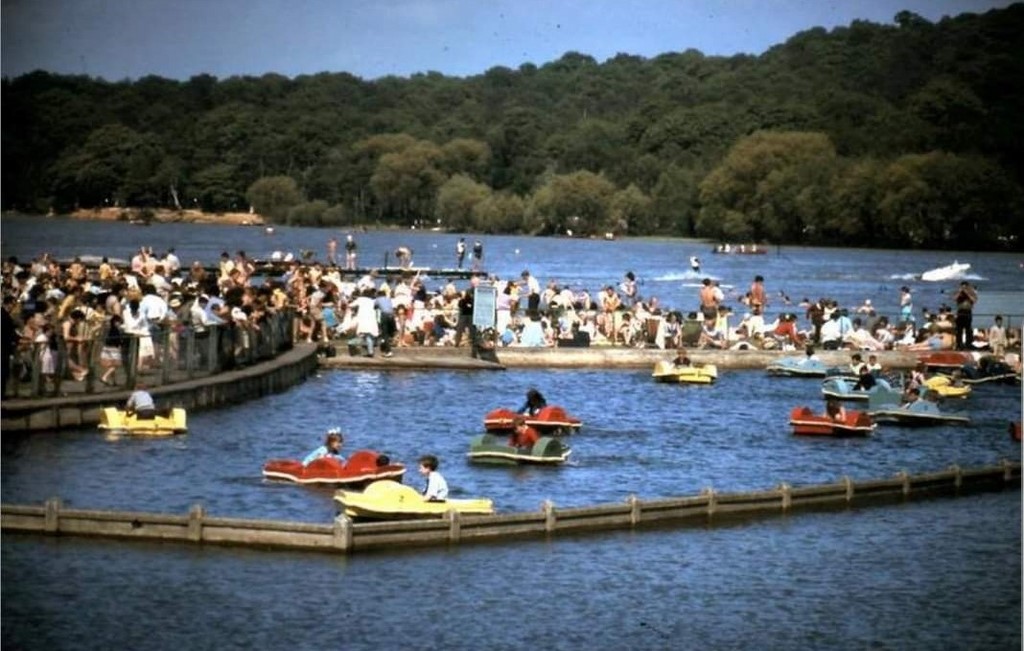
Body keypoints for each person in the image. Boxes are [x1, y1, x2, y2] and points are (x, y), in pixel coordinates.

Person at [953, 281, 977, 350]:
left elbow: (974, 300)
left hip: (968, 312)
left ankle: (968, 344)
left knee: (968, 329)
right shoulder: (958, 293)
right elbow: (954, 299)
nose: (963, 288)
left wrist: (967, 293)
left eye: (965, 287)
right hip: (960, 312)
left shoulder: (971, 293)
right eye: (962, 287)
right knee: (959, 330)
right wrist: (960, 292)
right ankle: (959, 345)